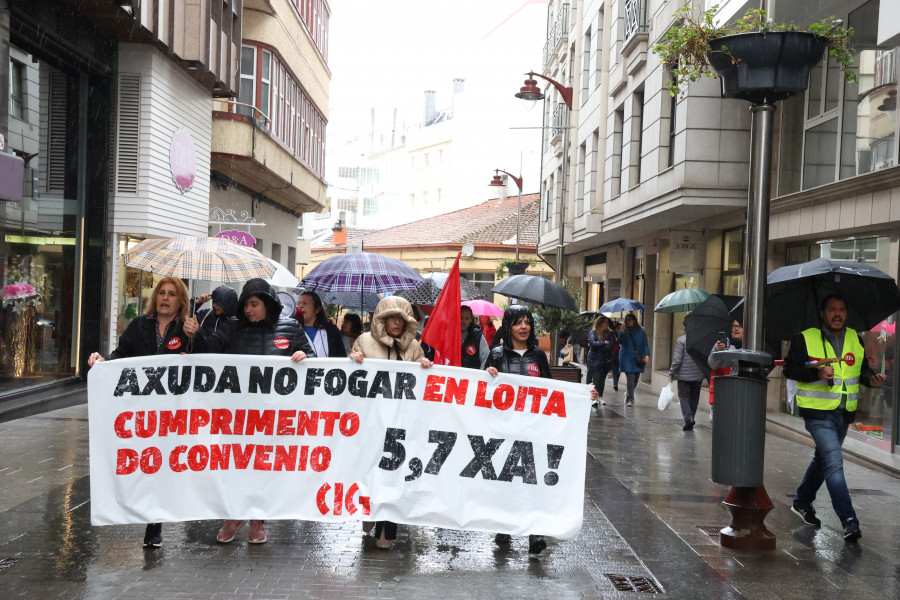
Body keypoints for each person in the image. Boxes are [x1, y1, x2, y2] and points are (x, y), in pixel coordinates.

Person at [199, 278, 315, 545]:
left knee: (264, 467)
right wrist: (194, 335)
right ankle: (233, 515)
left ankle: (257, 520)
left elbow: (313, 360)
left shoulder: (291, 327)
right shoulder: (232, 327)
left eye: (254, 304)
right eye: (246, 305)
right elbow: (208, 351)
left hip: (273, 417)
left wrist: (304, 357)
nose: (249, 310)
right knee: (235, 466)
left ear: (268, 304)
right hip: (236, 416)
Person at [88, 277, 201, 549]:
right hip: (142, 411)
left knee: (163, 464)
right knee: (146, 461)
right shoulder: (139, 325)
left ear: (181, 301)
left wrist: (196, 338)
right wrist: (104, 361)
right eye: (161, 292)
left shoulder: (186, 328)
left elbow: (206, 361)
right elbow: (121, 355)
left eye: (172, 294)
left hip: (173, 413)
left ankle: (154, 524)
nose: (165, 297)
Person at [485, 305, 597, 555]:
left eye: (527, 322)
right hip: (504, 429)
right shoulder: (496, 354)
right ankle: (503, 525)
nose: (523, 327)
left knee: (532, 479)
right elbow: (481, 391)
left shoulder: (538, 356)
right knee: (507, 479)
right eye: (518, 322)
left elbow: (551, 391)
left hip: (533, 428)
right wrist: (487, 375)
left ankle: (535, 532)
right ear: (508, 326)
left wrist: (581, 396)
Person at [783, 295, 885, 543]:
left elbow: (859, 372)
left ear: (846, 314)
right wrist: (816, 372)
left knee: (823, 459)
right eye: (832, 310)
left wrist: (870, 380)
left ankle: (802, 502)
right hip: (817, 413)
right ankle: (849, 520)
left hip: (844, 413)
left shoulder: (854, 339)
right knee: (834, 463)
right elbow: (789, 368)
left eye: (841, 310)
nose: (837, 314)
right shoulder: (805, 338)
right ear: (822, 313)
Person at [349, 296, 433, 549]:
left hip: (401, 423)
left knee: (394, 473)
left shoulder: (415, 347)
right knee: (371, 470)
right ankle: (369, 512)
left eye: (401, 318)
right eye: (391, 318)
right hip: (371, 422)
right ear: (381, 320)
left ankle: (385, 531)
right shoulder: (363, 341)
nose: (396, 323)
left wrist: (425, 366)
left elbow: (422, 384)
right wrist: (353, 360)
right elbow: (351, 379)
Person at [669, 321, 706, 430]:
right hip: (698, 375)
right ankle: (691, 418)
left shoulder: (681, 340)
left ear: (685, 327)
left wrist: (672, 373)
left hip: (684, 376)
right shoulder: (701, 340)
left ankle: (688, 418)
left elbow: (677, 360)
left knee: (683, 397)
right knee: (694, 398)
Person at [708, 320, 744, 422]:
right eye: (734, 326)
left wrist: (734, 354)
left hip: (740, 391)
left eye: (739, 326)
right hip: (723, 390)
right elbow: (712, 364)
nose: (736, 329)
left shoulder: (748, 346)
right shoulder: (723, 343)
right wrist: (717, 351)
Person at [297, 290, 347, 357]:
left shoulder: (332, 330)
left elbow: (341, 356)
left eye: (305, 303)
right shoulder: (292, 329)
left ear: (317, 309)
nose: (300, 306)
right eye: (299, 303)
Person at [618, 313, 649, 407]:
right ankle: (631, 399)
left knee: (635, 379)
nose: (629, 322)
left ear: (634, 320)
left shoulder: (641, 331)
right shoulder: (624, 330)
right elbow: (620, 341)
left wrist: (647, 354)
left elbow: (645, 343)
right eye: (627, 320)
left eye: (630, 320)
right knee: (630, 379)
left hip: (637, 358)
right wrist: (621, 331)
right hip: (626, 358)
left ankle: (628, 393)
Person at [586, 315, 617, 407]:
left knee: (602, 380)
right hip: (594, 360)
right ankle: (593, 398)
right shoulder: (593, 332)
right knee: (595, 379)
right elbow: (592, 343)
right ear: (601, 323)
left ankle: (600, 397)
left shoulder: (610, 333)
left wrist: (600, 347)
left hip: (606, 360)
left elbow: (611, 345)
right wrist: (603, 343)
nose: (608, 324)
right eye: (606, 322)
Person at [460, 305, 489, 370]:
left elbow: (486, 360)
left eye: (467, 318)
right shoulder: (449, 335)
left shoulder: (478, 336)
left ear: (471, 320)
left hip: (472, 378)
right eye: (461, 318)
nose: (464, 322)